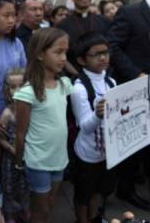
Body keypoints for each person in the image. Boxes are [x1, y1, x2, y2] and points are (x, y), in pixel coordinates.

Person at [14, 28, 73, 223]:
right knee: (41, 210)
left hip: (59, 158)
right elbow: (20, 133)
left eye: (66, 52)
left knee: (50, 204)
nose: (64, 58)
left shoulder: (64, 84)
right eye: (58, 52)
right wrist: (19, 161)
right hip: (38, 160)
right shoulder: (27, 92)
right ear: (39, 54)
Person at [108, 0, 150, 211]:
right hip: (133, 90)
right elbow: (113, 47)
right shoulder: (130, 12)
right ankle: (125, 189)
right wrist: (137, 74)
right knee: (133, 143)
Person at [70, 33, 117, 223]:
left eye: (105, 52)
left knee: (98, 190)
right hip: (87, 152)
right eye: (96, 54)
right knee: (83, 192)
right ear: (81, 60)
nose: (103, 58)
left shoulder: (111, 82)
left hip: (108, 151)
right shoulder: (79, 88)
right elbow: (85, 127)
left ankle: (94, 217)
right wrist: (98, 115)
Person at [0, 69, 30, 223]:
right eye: (12, 86)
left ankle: (24, 211)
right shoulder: (7, 113)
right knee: (10, 187)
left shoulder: (32, 109)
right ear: (7, 89)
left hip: (29, 156)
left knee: (26, 186)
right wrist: (12, 149)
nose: (17, 90)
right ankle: (10, 215)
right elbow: (0, 139)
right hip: (11, 158)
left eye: (21, 86)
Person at [57, 0, 109, 75]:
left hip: (103, 74)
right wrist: (78, 75)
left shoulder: (103, 20)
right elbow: (62, 54)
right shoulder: (63, 25)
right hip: (75, 75)